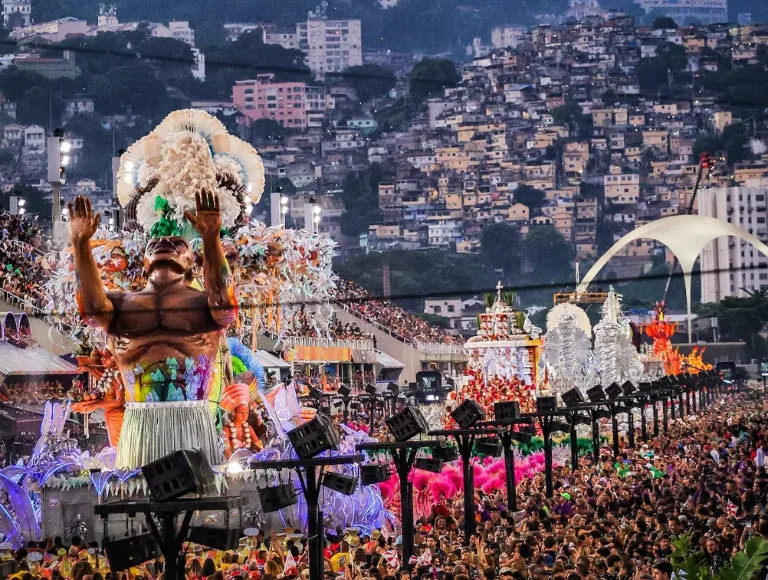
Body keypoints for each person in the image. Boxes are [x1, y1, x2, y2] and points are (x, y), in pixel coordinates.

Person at [67, 193, 238, 469]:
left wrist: (210, 238)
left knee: (198, 503)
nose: (164, 243)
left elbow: (225, 305)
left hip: (192, 421)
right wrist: (79, 243)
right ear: (144, 264)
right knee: (136, 501)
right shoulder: (120, 304)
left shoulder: (204, 305)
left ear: (191, 263)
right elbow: (91, 311)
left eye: (177, 243)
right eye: (155, 243)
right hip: (139, 424)